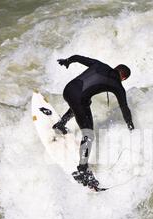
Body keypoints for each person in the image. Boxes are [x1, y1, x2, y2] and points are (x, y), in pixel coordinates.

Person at [54, 54, 134, 189]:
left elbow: (78, 57)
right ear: (124, 78)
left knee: (85, 101)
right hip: (78, 99)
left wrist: (67, 61)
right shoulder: (118, 86)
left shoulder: (100, 64)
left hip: (68, 90)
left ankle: (61, 124)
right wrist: (130, 124)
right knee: (89, 135)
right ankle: (82, 170)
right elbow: (124, 108)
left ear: (115, 68)